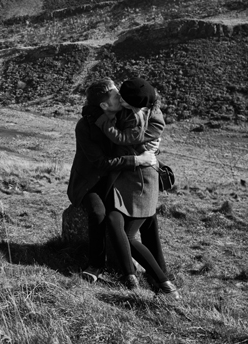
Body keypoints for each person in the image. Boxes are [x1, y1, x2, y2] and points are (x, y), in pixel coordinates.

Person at [68, 78, 180, 299]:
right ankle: (102, 267)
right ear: (104, 105)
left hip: (125, 180)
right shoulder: (88, 124)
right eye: (116, 96)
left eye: (120, 94)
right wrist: (138, 159)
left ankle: (155, 276)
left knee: (142, 221)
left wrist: (152, 146)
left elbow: (141, 134)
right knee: (103, 215)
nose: (120, 97)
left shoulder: (125, 114)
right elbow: (102, 162)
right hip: (93, 181)